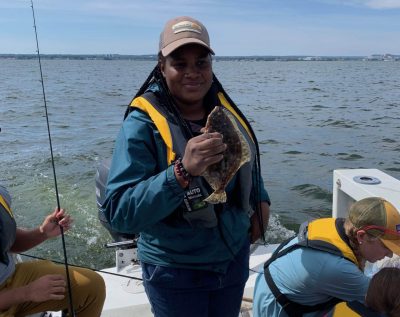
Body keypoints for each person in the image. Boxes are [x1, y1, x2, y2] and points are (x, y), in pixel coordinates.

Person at [102, 16, 270, 317]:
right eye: (180, 63)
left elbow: (245, 166)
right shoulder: (141, 124)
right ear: (161, 65)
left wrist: (262, 199)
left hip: (232, 261)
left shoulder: (224, 111)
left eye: (201, 62)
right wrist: (181, 171)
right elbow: (118, 212)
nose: (192, 73)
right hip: (175, 272)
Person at [253, 196, 400, 317]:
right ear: (361, 236)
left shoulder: (340, 227)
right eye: (386, 247)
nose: (390, 254)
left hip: (270, 291)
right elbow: (383, 299)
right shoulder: (338, 269)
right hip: (277, 310)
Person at [0, 184, 106, 316]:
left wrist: (42, 232)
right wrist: (26, 292)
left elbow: (8, 241)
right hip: (12, 295)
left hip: (11, 278)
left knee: (93, 287)